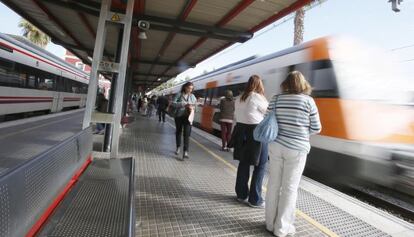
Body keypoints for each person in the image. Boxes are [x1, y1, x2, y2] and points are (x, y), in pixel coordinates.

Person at [265, 71, 321, 237]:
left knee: (274, 185)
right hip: (297, 149)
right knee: (289, 189)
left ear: (286, 84)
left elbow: (267, 120)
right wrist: (301, 131)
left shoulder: (276, 99)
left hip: (276, 146)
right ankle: (282, 228)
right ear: (303, 84)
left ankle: (269, 223)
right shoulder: (309, 102)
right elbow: (317, 128)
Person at [232, 75, 269, 208]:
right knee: (261, 165)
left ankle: (241, 195)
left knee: (244, 163)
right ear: (259, 85)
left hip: (241, 132)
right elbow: (268, 112)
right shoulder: (257, 97)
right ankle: (255, 199)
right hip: (256, 133)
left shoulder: (239, 98)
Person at [172, 82, 197, 160]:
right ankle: (178, 147)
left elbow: (195, 106)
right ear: (185, 87)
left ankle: (186, 151)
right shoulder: (179, 94)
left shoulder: (192, 96)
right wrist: (182, 104)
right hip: (179, 116)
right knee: (178, 132)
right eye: (189, 88)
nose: (190, 90)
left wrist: (192, 107)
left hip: (188, 117)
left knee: (187, 134)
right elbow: (173, 103)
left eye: (191, 88)